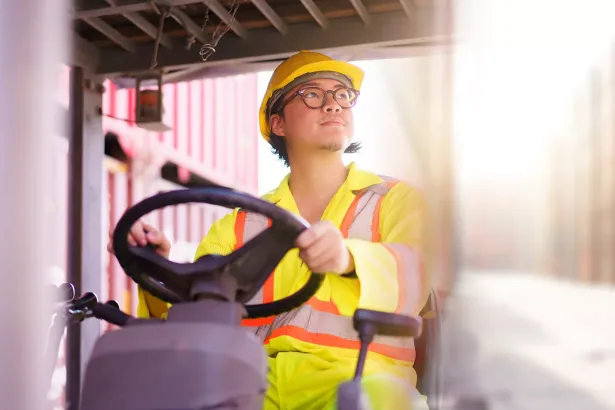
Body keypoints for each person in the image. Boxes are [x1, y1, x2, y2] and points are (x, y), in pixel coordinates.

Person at [107, 50, 430, 410]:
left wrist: (349, 258)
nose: (333, 105)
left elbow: (420, 272)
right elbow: (195, 322)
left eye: (342, 95)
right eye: (312, 94)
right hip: (257, 383)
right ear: (278, 123)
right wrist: (160, 272)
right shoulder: (238, 225)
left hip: (361, 378)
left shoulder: (394, 199)